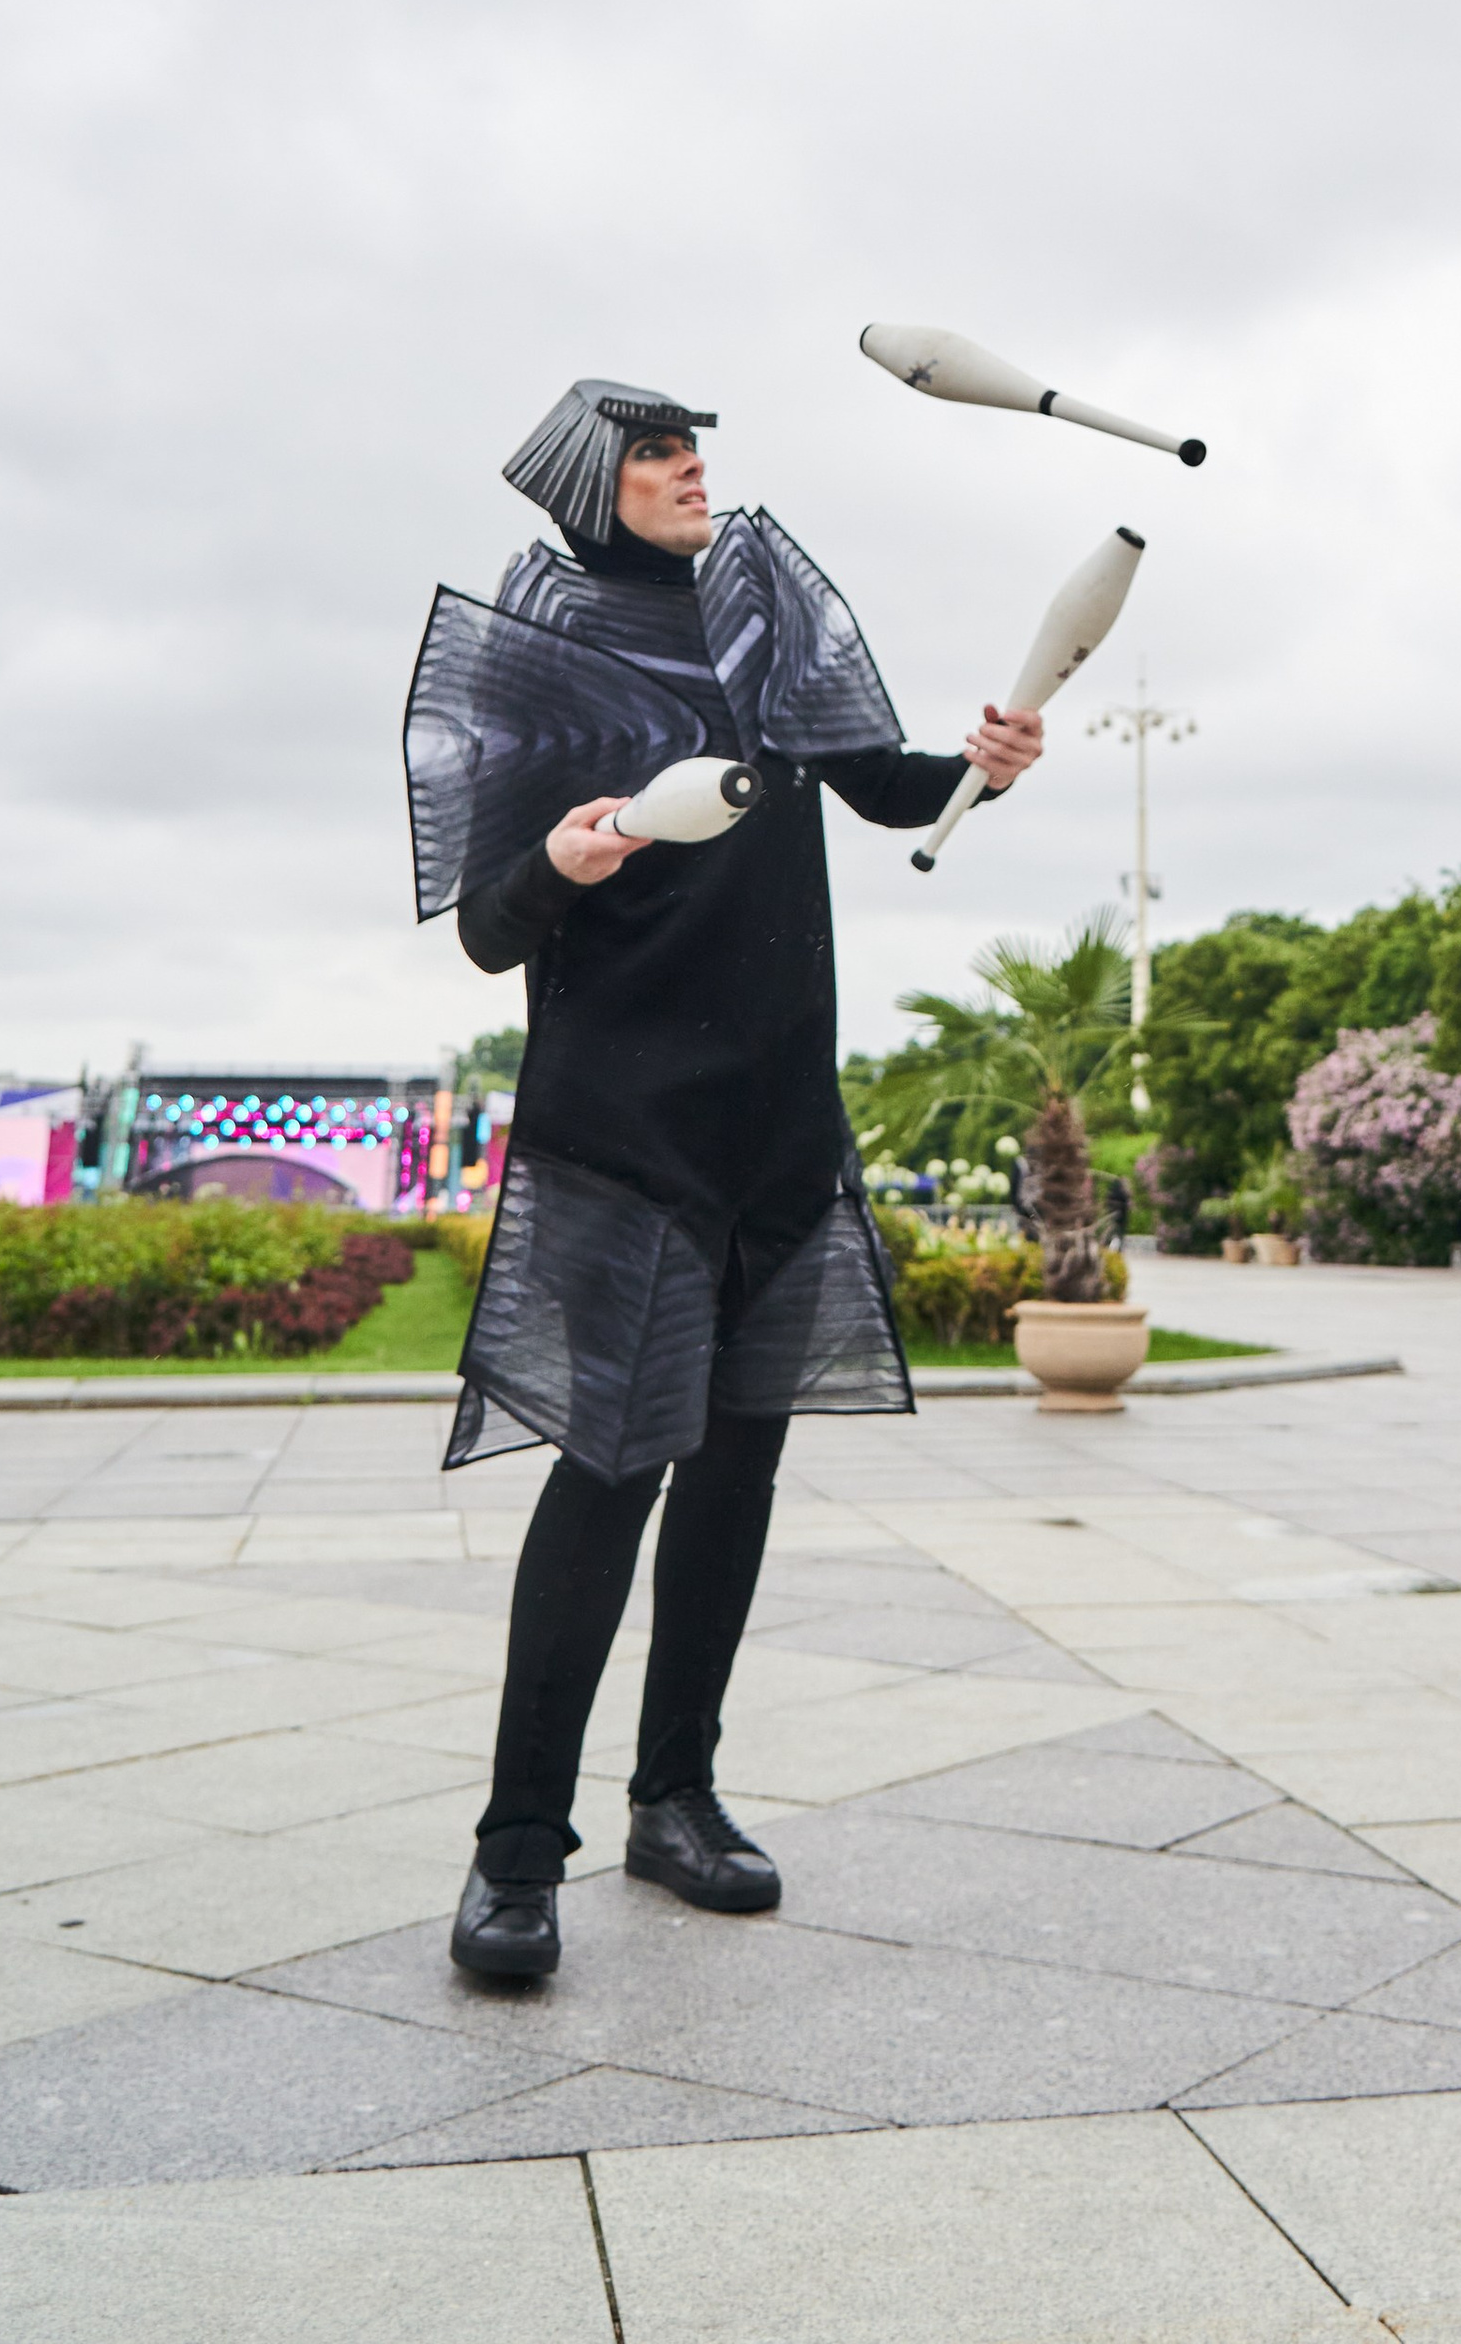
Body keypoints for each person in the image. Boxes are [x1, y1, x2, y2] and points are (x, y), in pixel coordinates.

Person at [433, 380, 1041, 1982]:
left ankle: (677, 1799)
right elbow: (489, 922)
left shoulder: (761, 609)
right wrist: (567, 858)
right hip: (626, 1118)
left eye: (692, 443)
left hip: (778, 1107)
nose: (689, 465)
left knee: (738, 1470)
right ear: (590, 480)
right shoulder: (538, 650)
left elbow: (882, 782)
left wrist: (985, 764)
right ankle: (514, 1856)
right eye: (651, 450)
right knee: (611, 1470)